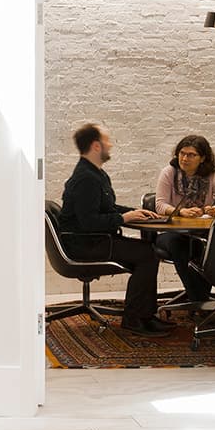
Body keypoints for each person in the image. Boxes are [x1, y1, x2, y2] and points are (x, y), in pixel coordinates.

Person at [57, 121, 166, 332]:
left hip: (95, 239)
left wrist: (134, 212)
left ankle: (145, 315)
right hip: (86, 244)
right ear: (96, 146)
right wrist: (124, 218)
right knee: (148, 255)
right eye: (107, 140)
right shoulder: (86, 179)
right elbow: (89, 222)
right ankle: (136, 319)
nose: (111, 145)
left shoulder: (96, 174)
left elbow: (106, 207)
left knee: (147, 253)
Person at [154, 133, 215, 309]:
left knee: (208, 246)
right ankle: (200, 300)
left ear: (202, 158)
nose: (184, 158)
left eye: (191, 155)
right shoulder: (169, 173)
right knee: (179, 244)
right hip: (171, 233)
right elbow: (159, 205)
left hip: (201, 233)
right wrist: (180, 211)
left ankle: (203, 300)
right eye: (182, 153)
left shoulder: (213, 175)